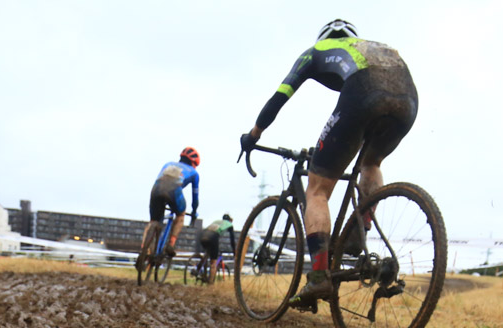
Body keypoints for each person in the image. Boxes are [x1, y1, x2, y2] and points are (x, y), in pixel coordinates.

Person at [238, 19, 418, 311]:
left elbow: (278, 99)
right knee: (371, 161)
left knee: (318, 190)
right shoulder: (370, 47)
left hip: (363, 91)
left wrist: (253, 135)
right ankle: (361, 227)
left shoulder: (315, 51)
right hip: (407, 97)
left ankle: (319, 275)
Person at [141, 147, 200, 269]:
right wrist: (194, 212)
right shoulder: (194, 173)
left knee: (154, 221)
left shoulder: (168, 164)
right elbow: (195, 197)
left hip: (156, 189)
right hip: (174, 190)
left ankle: (144, 250)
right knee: (180, 214)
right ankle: (171, 244)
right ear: (194, 163)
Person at [199, 214, 236, 280]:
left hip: (203, 234)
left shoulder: (217, 221)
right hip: (213, 236)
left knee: (208, 252)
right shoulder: (229, 224)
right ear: (230, 220)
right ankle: (210, 284)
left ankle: (198, 268)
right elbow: (232, 240)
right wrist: (234, 252)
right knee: (213, 262)